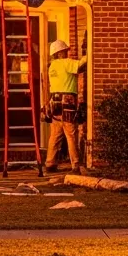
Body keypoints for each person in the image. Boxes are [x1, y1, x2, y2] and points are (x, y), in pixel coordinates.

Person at [43, 40, 89, 174]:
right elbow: (80, 64)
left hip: (55, 102)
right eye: (65, 50)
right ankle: (75, 165)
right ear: (60, 53)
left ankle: (50, 163)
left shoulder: (52, 66)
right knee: (71, 134)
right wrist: (90, 52)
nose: (67, 52)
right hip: (67, 102)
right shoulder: (66, 62)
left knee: (55, 135)